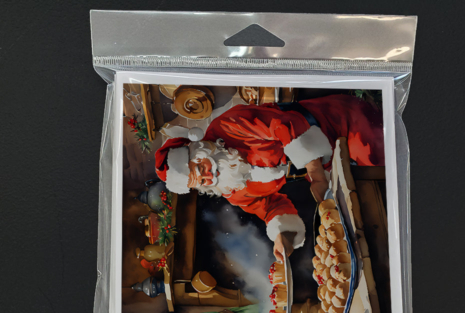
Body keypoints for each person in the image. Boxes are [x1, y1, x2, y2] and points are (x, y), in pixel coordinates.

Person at [155, 94, 384, 263]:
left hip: (332, 124)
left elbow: (284, 125)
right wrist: (283, 236)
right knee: (364, 209)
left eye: (200, 167)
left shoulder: (227, 125)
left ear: (199, 150)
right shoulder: (230, 189)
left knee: (376, 157)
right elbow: (268, 206)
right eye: (202, 182)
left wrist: (315, 174)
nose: (208, 176)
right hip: (326, 169)